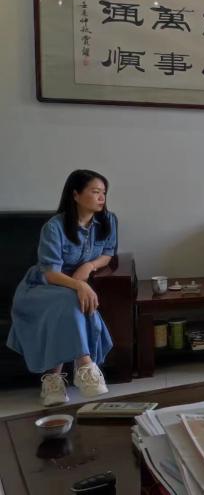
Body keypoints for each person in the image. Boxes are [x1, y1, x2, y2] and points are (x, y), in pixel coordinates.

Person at [7, 170, 116, 406]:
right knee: (70, 300)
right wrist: (79, 285)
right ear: (75, 195)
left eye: (104, 193)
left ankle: (52, 380)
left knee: (69, 301)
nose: (101, 198)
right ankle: (85, 365)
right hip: (41, 288)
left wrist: (88, 266)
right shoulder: (54, 227)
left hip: (70, 288)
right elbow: (50, 273)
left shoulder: (108, 221)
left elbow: (108, 254)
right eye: (95, 192)